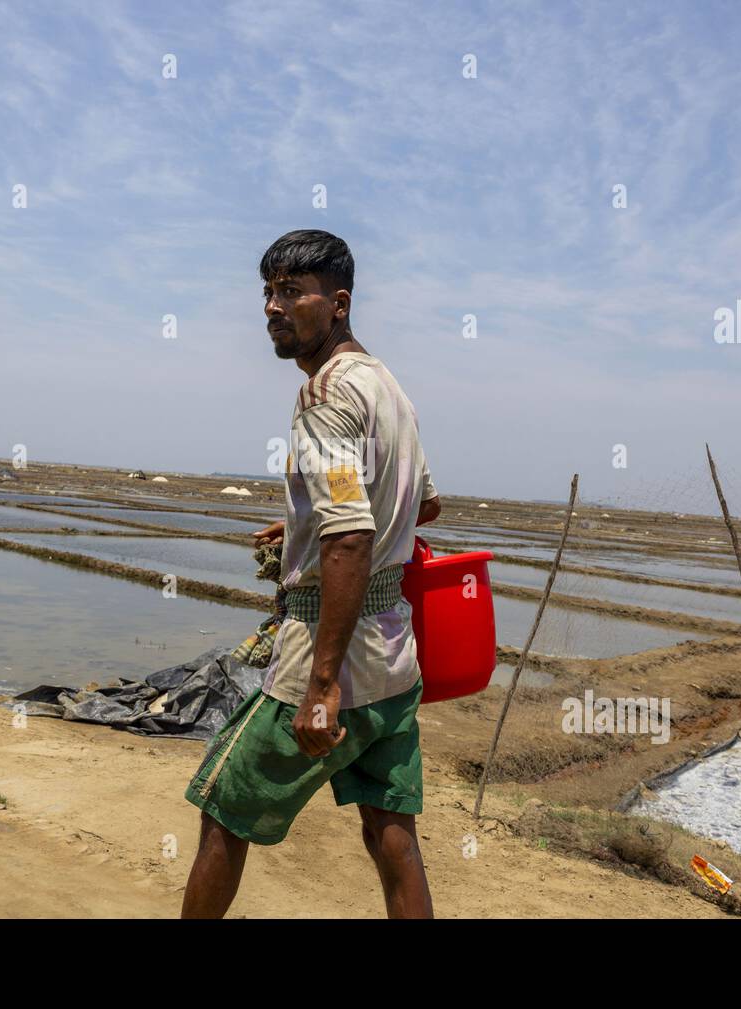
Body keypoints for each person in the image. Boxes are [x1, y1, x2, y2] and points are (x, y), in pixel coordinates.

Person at [182, 229, 441, 918]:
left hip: (333, 658)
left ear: (339, 302)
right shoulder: (387, 387)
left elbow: (351, 537)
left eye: (293, 291)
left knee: (222, 809)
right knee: (392, 834)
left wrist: (321, 685)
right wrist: (299, 523)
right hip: (394, 658)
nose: (273, 306)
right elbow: (424, 499)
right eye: (268, 291)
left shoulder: (325, 396)